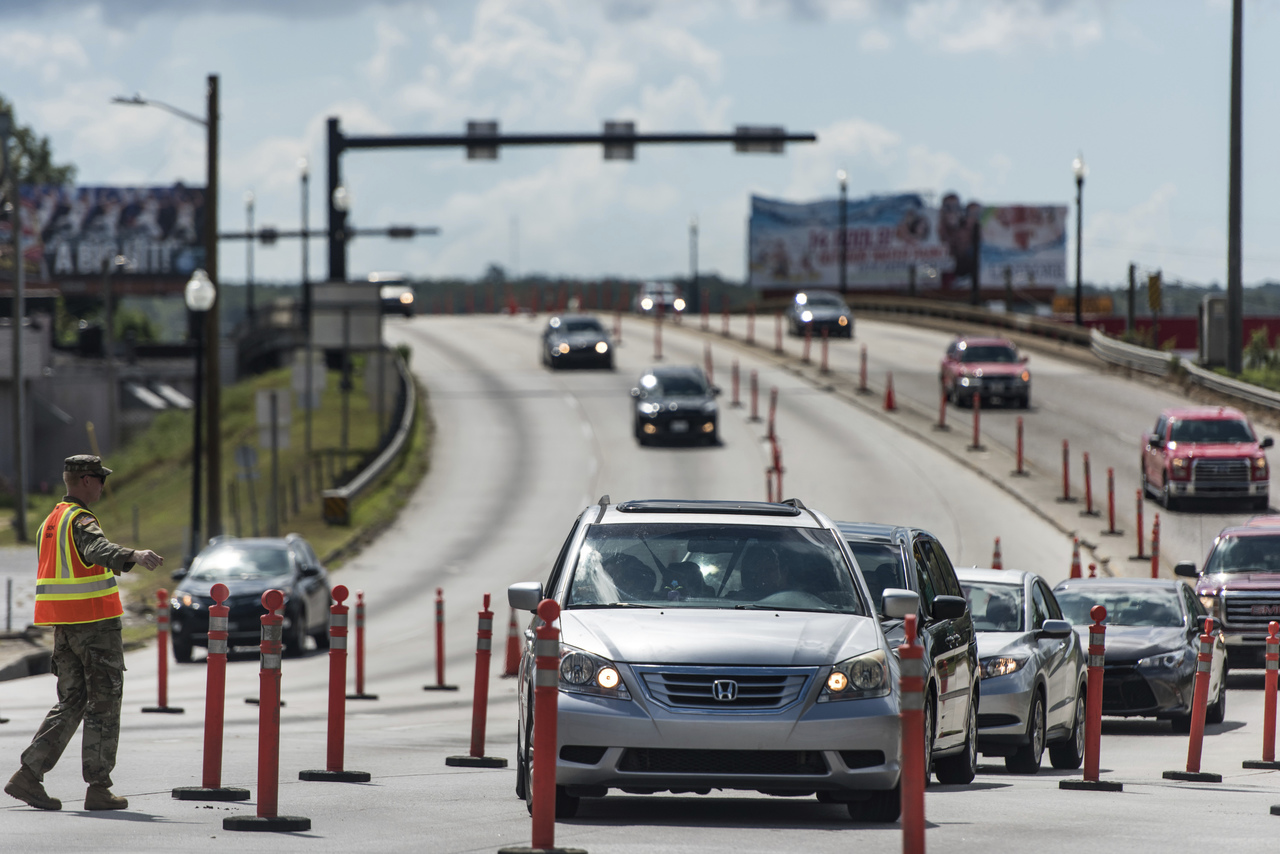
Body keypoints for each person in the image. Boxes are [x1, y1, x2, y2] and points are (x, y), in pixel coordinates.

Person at [4, 455, 164, 812]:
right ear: (88, 481)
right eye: (101, 480)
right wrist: (133, 554)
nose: (103, 486)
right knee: (104, 702)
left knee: (72, 701)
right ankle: (98, 787)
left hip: (65, 627)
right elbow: (97, 549)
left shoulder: (50, 521)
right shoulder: (81, 520)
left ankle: (29, 774)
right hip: (94, 626)